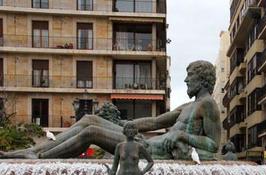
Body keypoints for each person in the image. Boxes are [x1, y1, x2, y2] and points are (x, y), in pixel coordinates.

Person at [0, 60, 221, 161]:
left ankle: (40, 156)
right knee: (89, 118)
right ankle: (40, 149)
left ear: (201, 79)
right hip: (146, 142)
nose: (185, 80)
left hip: (151, 151)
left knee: (91, 133)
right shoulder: (187, 106)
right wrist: (127, 124)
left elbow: (213, 144)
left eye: (190, 76)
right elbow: (154, 122)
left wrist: (183, 135)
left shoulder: (208, 105)